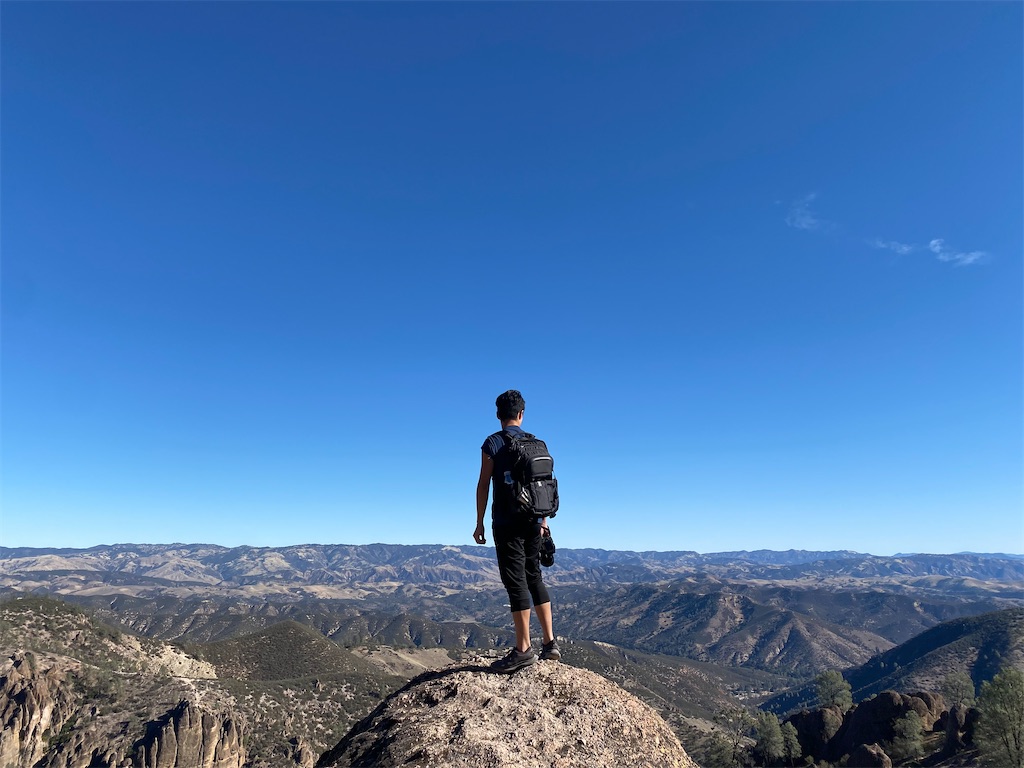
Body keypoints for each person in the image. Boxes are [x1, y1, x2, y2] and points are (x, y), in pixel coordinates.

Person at [474, 389, 560, 673]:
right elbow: (543, 485)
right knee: (534, 575)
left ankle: (523, 650)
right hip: (536, 521)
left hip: (508, 522)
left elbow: (484, 484)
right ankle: (550, 644)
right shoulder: (537, 443)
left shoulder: (493, 443)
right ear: (521, 414)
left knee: (516, 582)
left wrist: (479, 522)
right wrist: (544, 522)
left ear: (499, 415)